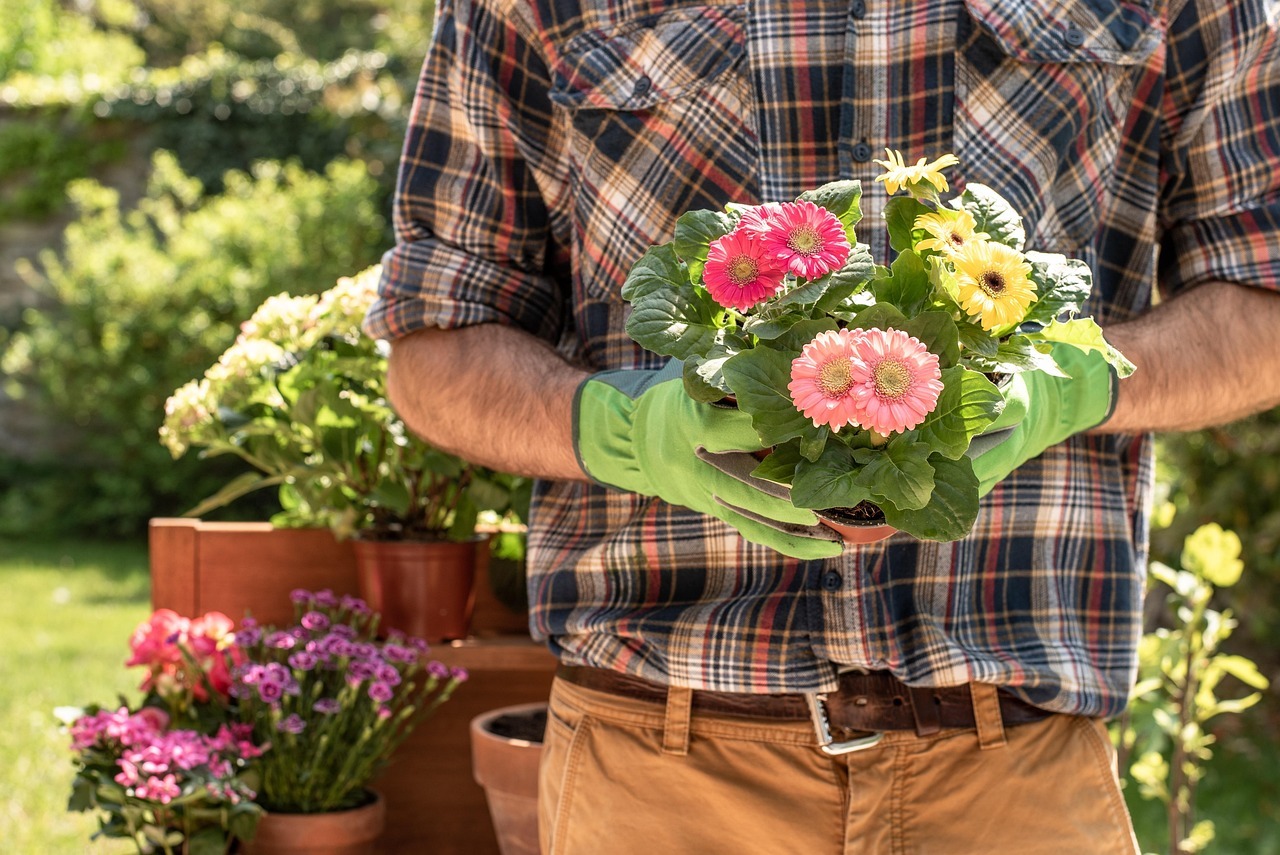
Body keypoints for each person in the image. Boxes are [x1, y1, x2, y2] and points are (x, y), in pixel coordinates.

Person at [365, 1, 1280, 852]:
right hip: (661, 774)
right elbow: (437, 338)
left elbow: (1262, 300)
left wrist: (1077, 380)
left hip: (1016, 776)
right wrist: (620, 427)